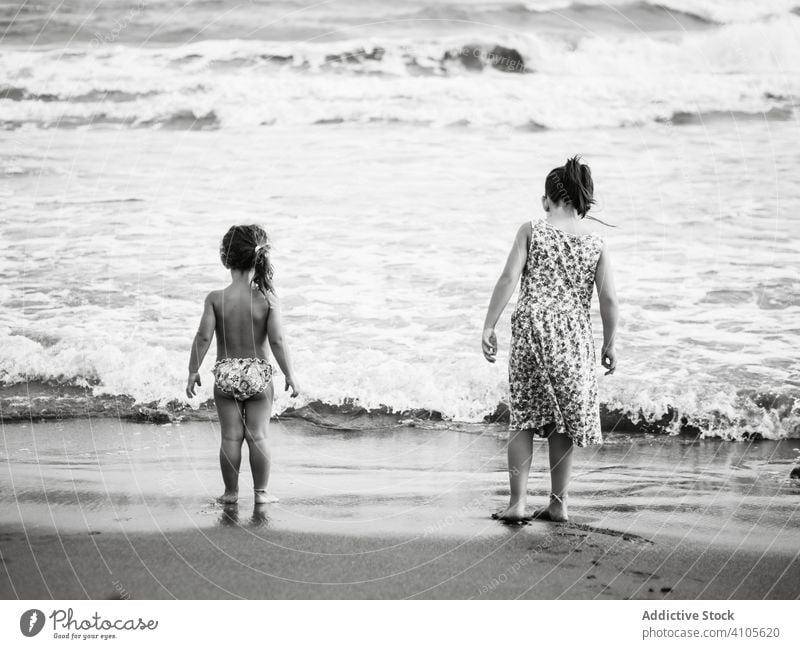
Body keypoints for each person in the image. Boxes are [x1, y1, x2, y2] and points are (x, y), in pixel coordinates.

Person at [482, 156, 618, 523]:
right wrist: (609, 343)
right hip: (574, 338)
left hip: (532, 332)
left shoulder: (532, 229)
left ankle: (517, 503)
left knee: (523, 418)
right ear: (579, 199)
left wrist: (489, 325)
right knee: (563, 422)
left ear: (547, 200)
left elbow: (509, 278)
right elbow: (608, 299)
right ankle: (559, 503)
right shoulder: (596, 243)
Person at [186, 224, 300, 505]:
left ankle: (230, 493)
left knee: (231, 437)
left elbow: (203, 337)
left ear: (225, 258)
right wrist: (289, 374)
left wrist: (193, 370)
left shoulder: (216, 298)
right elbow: (277, 340)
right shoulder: (268, 299)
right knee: (258, 436)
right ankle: (261, 493)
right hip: (259, 374)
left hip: (226, 374)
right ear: (259, 259)